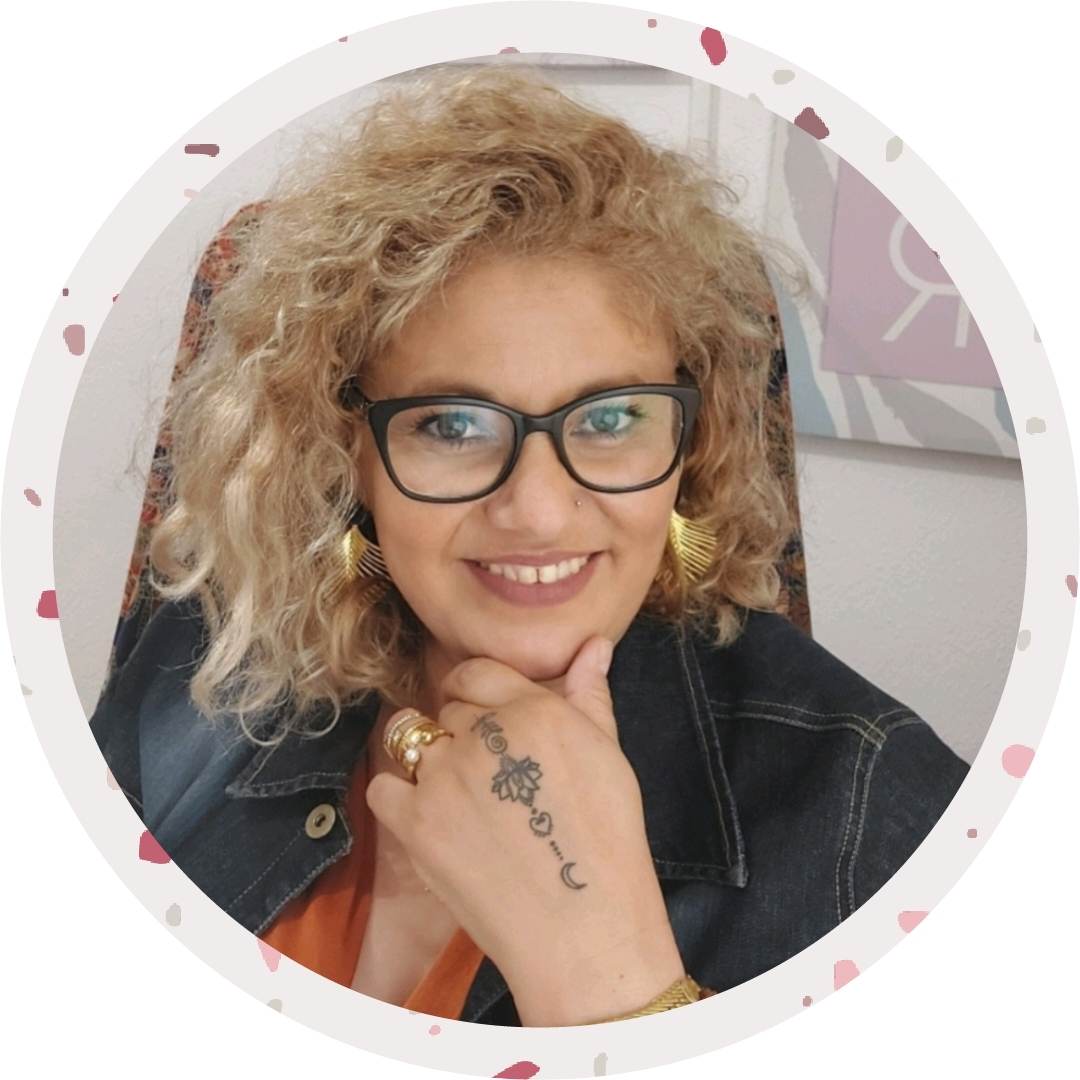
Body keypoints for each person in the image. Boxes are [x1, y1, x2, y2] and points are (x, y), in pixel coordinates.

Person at [89, 64, 970, 1027]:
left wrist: (608, 981)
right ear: (349, 453)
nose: (540, 512)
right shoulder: (199, 663)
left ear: (695, 439)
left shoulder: (877, 807)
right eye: (453, 426)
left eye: (612, 417)